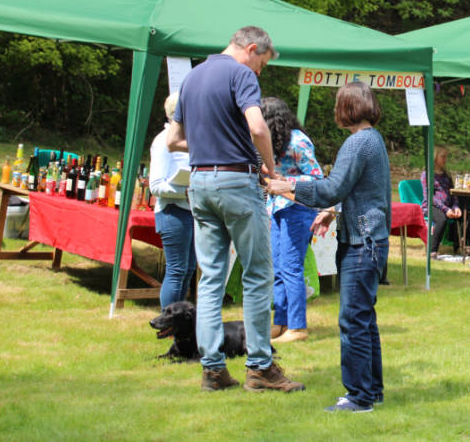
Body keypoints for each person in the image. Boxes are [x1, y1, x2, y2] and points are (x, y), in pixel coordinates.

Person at [167, 26, 304, 393]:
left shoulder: (193, 76)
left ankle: (213, 369)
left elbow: (173, 139)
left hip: (199, 184)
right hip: (236, 185)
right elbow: (258, 127)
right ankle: (260, 367)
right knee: (257, 275)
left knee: (211, 278)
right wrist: (270, 167)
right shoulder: (240, 74)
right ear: (252, 48)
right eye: (261, 64)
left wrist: (214, 147)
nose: (258, 72)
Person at [267, 81, 390, 413]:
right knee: (364, 319)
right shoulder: (372, 140)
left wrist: (285, 186)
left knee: (352, 319)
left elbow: (332, 187)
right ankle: (371, 391)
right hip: (371, 239)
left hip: (363, 243)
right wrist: (331, 212)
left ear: (345, 109)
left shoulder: (357, 143)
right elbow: (357, 192)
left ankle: (358, 397)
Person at [261, 97, 323, 343]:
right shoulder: (273, 142)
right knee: (278, 268)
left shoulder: (298, 141)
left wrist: (287, 184)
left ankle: (298, 327)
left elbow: (317, 178)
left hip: (297, 209)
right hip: (277, 208)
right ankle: (281, 323)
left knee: (291, 268)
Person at [149, 92, 195, 310]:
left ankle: (181, 322)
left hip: (194, 211)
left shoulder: (193, 139)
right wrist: (183, 191)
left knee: (188, 269)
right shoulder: (162, 142)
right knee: (177, 270)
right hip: (172, 211)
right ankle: (169, 322)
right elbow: (155, 185)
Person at [420, 146, 462, 259]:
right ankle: (432, 251)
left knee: (464, 216)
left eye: (446, 157)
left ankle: (460, 247)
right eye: (443, 157)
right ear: (434, 158)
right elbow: (430, 196)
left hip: (448, 207)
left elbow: (453, 193)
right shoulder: (427, 174)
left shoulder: (446, 174)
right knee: (441, 219)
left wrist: (456, 206)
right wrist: (446, 209)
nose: (445, 160)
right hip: (431, 206)